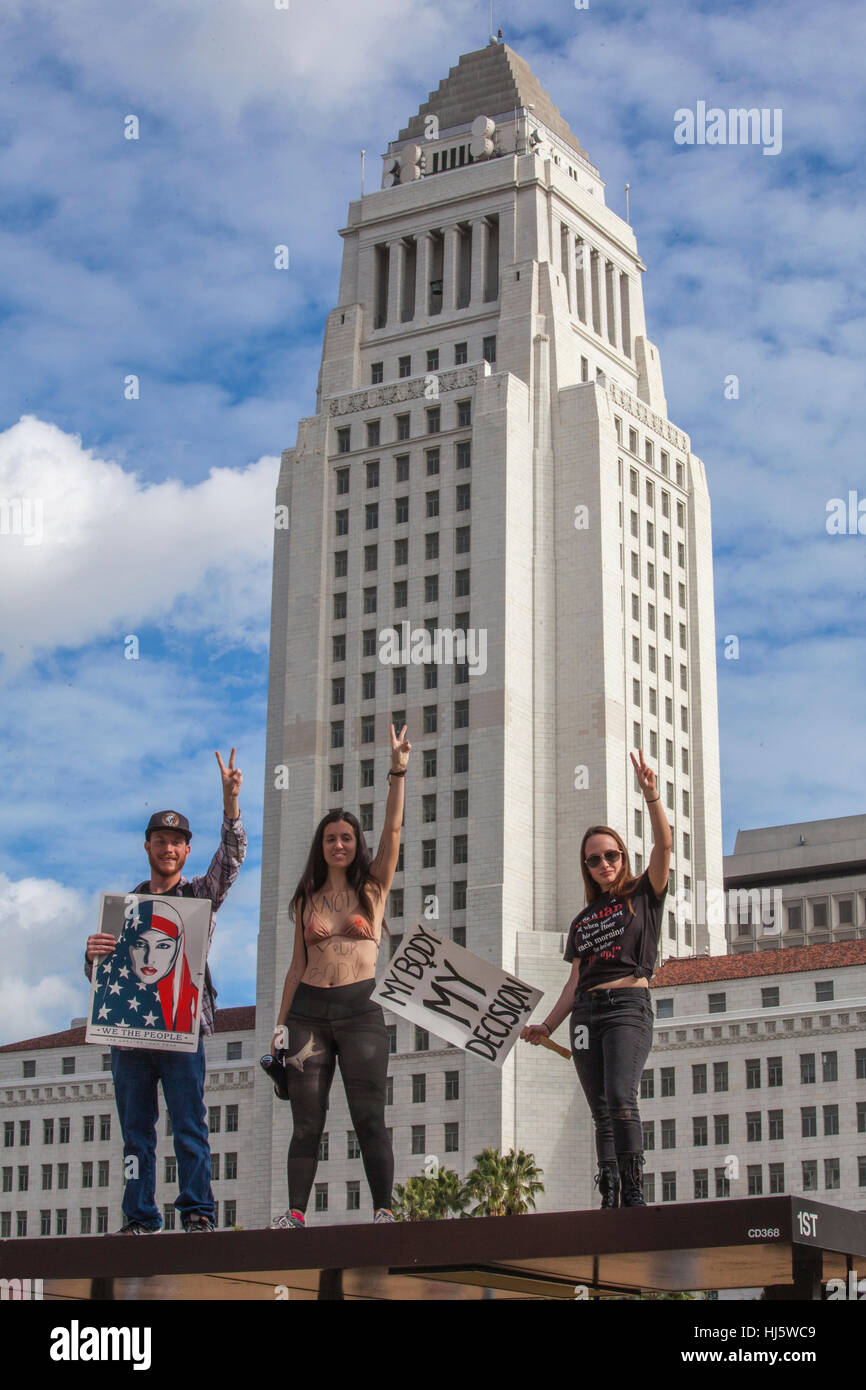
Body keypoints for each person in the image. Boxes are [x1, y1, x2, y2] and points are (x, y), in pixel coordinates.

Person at [85, 750, 246, 1233]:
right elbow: (102, 980)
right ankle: (140, 1217)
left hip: (182, 1030)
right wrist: (91, 954)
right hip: (130, 1038)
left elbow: (233, 857)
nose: (169, 848)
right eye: (161, 840)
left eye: (177, 842)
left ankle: (198, 1211)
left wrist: (230, 801)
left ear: (187, 851)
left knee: (190, 1125)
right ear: (148, 846)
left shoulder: (200, 896)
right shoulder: (122, 909)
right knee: (136, 1134)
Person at [269, 724, 410, 1229]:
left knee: (369, 1116)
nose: (338, 845)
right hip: (308, 1014)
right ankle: (294, 1214)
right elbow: (295, 968)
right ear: (321, 845)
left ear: (357, 844)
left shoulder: (373, 890)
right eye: (330, 838)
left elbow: (393, 833)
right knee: (306, 1120)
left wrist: (397, 771)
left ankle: (384, 1210)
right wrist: (280, 1025)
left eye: (347, 838)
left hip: (359, 1013)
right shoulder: (306, 900)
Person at [522, 750, 671, 1208]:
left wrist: (652, 798)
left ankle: (633, 1194)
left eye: (611, 855)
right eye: (594, 859)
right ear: (585, 867)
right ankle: (609, 1197)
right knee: (600, 1112)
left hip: (628, 1007)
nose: (603, 864)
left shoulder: (644, 894)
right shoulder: (583, 920)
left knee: (622, 1097)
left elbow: (665, 847)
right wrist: (546, 1025)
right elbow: (575, 982)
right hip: (585, 1013)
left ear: (623, 858)